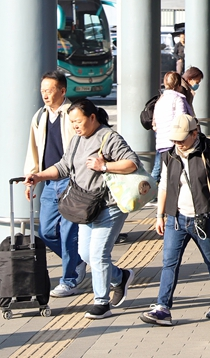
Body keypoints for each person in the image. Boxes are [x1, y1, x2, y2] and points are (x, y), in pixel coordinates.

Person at [24, 99, 141, 320]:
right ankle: (120, 277)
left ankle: (101, 302)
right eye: (72, 122)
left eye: (78, 121)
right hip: (87, 206)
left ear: (92, 117)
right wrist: (38, 176)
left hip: (109, 205)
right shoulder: (77, 140)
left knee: (98, 255)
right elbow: (64, 166)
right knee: (85, 253)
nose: (75, 126)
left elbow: (132, 163)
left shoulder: (109, 138)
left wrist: (103, 166)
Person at [140, 115, 210, 326]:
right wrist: (159, 215)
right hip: (176, 219)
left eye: (182, 139)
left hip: (204, 218)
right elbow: (165, 186)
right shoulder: (170, 156)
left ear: (195, 134)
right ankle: (163, 308)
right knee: (169, 263)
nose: (178, 144)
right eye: (175, 140)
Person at [24, 71, 84, 298]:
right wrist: (30, 178)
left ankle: (69, 280)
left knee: (69, 233)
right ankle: (78, 261)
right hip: (49, 182)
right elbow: (33, 149)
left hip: (72, 180)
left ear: (62, 91)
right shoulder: (39, 116)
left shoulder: (73, 113)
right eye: (42, 92)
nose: (45, 96)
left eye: (49, 91)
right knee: (46, 232)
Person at [151, 72, 193, 181]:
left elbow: (154, 124)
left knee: (159, 170)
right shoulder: (178, 99)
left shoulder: (160, 100)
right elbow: (182, 120)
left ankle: (149, 192)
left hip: (161, 141)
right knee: (177, 170)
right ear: (179, 86)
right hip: (175, 141)